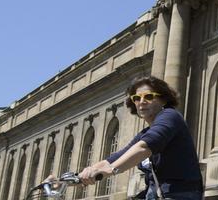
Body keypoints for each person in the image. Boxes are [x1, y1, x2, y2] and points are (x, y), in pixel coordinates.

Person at [72, 76, 203, 200]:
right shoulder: (144, 133)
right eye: (136, 98)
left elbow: (144, 148)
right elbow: (114, 158)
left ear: (164, 99)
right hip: (156, 194)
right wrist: (83, 175)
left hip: (180, 194)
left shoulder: (170, 116)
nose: (142, 102)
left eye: (149, 96)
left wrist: (110, 170)